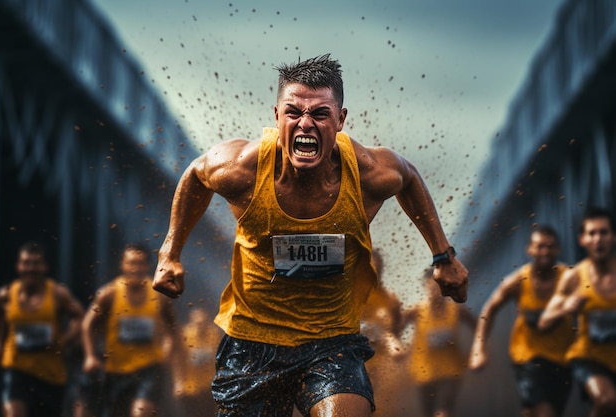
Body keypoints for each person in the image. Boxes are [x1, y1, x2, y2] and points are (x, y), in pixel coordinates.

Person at [152, 54, 468, 417]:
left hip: (331, 343)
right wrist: (169, 254)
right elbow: (195, 175)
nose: (305, 124)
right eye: (293, 112)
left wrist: (443, 257)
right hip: (252, 342)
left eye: (320, 114)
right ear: (276, 116)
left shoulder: (367, 173)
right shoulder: (243, 169)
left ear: (340, 120)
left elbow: (409, 178)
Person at [469, 225, 575, 417]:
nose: (545, 251)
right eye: (540, 246)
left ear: (558, 249)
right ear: (530, 250)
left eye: (550, 247)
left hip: (562, 358)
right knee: (545, 413)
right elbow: (489, 309)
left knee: (537, 411)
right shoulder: (517, 281)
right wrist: (478, 347)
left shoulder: (569, 277)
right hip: (527, 358)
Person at [77, 243, 180, 417]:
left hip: (149, 368)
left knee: (141, 413)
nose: (135, 268)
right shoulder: (108, 294)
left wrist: (166, 354)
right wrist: (90, 356)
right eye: (131, 263)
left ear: (148, 266)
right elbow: (88, 325)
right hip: (115, 369)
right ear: (122, 265)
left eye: (140, 263)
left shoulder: (159, 296)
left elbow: (173, 331)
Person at [0, 241, 84, 417]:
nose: (30, 268)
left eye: (36, 263)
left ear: (44, 266)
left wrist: (66, 340)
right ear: (18, 266)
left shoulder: (57, 294)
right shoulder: (8, 294)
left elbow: (79, 316)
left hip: (50, 375)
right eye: (26, 263)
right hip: (17, 369)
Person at [538, 208, 616, 417]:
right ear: (583, 239)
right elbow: (544, 321)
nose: (598, 239)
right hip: (589, 359)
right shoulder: (574, 278)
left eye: (603, 232)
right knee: (606, 400)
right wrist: (565, 308)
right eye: (592, 233)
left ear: (613, 236)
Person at [402, 268, 476, 417]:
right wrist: (396, 345)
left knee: (445, 412)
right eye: (432, 286)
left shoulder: (456, 309)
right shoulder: (416, 311)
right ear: (426, 286)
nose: (436, 290)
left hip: (451, 368)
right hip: (424, 369)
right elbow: (395, 328)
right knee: (428, 412)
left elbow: (478, 326)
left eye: (440, 286)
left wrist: (478, 349)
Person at [359, 249, 409, 416]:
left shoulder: (390, 299)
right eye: (372, 267)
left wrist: (390, 338)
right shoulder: (353, 294)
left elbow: (397, 326)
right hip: (356, 356)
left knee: (377, 400)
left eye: (379, 268)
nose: (375, 271)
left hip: (380, 360)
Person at [173, 306, 223, 417]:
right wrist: (178, 382)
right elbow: (177, 360)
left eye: (203, 323)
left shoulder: (215, 334)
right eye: (197, 323)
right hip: (190, 387)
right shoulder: (185, 335)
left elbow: (220, 360)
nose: (201, 327)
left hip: (208, 386)